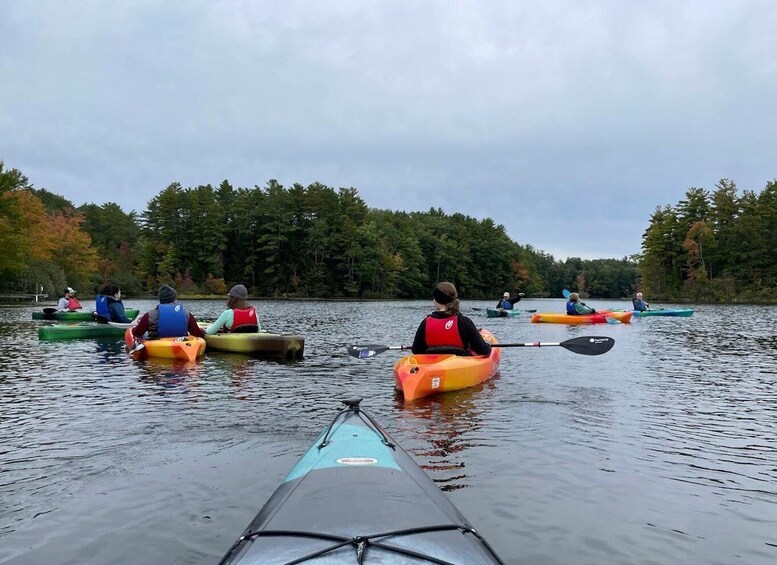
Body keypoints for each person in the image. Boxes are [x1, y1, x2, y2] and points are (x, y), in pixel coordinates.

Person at [411, 282, 492, 356]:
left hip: (433, 366)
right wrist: (488, 345)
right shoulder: (464, 322)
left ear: (435, 300)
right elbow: (483, 350)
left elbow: (416, 350)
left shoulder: (425, 323)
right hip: (460, 366)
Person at [131, 284, 206, 341]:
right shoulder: (186, 313)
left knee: (144, 335)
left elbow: (137, 333)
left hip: (158, 344)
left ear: (161, 300)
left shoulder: (149, 315)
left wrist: (133, 329)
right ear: (174, 300)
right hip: (181, 343)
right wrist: (202, 331)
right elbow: (197, 334)